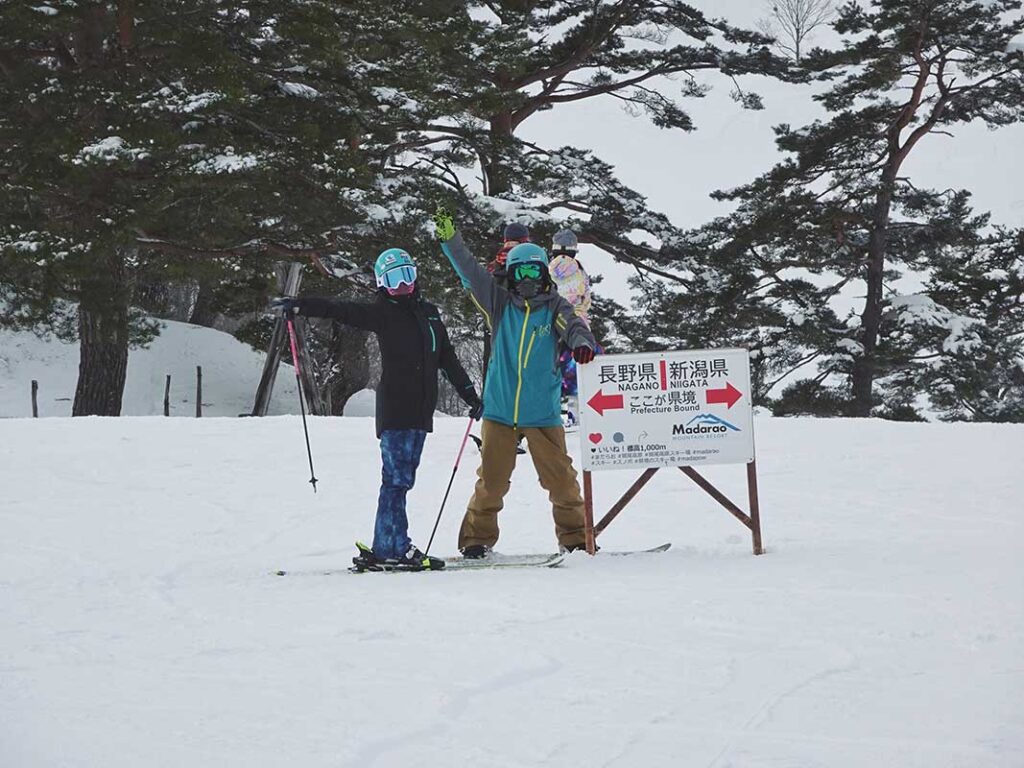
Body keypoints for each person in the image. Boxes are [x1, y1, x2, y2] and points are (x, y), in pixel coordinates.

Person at [273, 247, 482, 571]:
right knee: (397, 481)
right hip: (397, 409)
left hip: (420, 411)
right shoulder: (382, 313)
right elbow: (339, 310)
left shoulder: (429, 314)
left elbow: (447, 359)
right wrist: (299, 306)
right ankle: (391, 547)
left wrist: (471, 396)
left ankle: (389, 544)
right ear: (383, 285)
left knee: (401, 480)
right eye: (395, 280)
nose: (403, 286)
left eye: (407, 276)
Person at [433, 207, 597, 557]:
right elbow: (469, 270)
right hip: (500, 410)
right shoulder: (499, 303)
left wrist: (581, 344)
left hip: (541, 411)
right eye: (519, 271)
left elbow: (575, 327)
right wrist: (450, 239)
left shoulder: (554, 307)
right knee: (491, 484)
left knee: (562, 484)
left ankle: (575, 539)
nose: (527, 278)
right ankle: (476, 541)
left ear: (544, 274)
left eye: (533, 271)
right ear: (510, 273)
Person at [548, 228, 599, 428]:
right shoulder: (575, 268)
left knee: (553, 368)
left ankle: (555, 413)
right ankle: (575, 414)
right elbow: (577, 297)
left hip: (555, 322)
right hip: (576, 324)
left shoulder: (549, 268)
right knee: (577, 368)